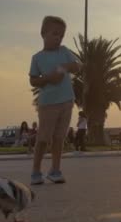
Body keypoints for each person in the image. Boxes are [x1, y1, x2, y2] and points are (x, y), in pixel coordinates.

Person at [28, 16, 81, 185]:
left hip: (66, 101)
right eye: (55, 34)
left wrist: (65, 67)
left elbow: (78, 65)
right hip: (48, 103)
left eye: (61, 35)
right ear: (43, 34)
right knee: (43, 138)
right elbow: (33, 80)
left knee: (59, 138)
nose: (58, 38)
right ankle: (36, 171)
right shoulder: (37, 58)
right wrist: (49, 78)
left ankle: (55, 170)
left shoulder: (64, 51)